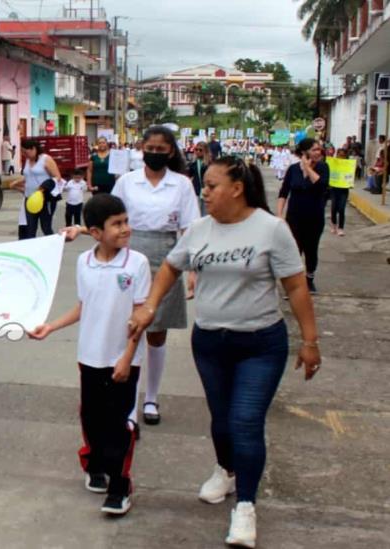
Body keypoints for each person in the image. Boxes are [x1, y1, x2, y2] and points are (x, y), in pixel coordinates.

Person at [128, 155, 321, 549]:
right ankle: (227, 469)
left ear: (237, 188)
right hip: (211, 342)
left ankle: (246, 507)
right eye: (205, 185)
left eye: (212, 186)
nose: (205, 192)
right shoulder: (200, 229)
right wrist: (150, 305)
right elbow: (170, 266)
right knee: (221, 419)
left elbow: (297, 287)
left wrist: (310, 340)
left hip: (260, 343)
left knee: (245, 420)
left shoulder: (272, 229)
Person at [63, 126, 200, 427]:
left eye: (161, 149)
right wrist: (83, 230)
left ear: (171, 152)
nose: (154, 153)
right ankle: (129, 405)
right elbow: (108, 218)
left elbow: (191, 229)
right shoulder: (127, 181)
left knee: (157, 331)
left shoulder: (181, 185)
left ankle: (151, 397)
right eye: (149, 147)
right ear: (141, 148)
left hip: (168, 257)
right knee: (129, 328)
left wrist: (192, 269)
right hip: (129, 255)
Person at [28, 193, 150, 517]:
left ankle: (120, 486)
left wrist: (127, 357)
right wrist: (51, 326)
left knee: (119, 422)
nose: (125, 229)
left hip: (123, 359)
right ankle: (95, 464)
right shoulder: (85, 262)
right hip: (90, 356)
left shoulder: (136, 263)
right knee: (92, 418)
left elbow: (140, 317)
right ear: (95, 232)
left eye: (126, 222)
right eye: (117, 224)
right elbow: (84, 307)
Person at [277, 138, 330, 295]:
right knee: (294, 250)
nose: (318, 152)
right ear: (304, 152)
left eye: (319, 149)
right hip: (294, 217)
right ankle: (293, 284)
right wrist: (279, 214)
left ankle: (309, 279)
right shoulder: (293, 169)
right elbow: (284, 192)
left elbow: (321, 185)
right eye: (314, 149)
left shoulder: (323, 167)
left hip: (314, 217)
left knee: (311, 250)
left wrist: (307, 168)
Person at [10, 139, 64, 239]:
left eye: (25, 152)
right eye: (22, 152)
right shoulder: (27, 160)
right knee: (30, 228)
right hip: (30, 199)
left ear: (33, 149)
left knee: (46, 227)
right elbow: (28, 177)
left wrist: (44, 187)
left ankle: (53, 246)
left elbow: (57, 177)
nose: (24, 154)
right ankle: (32, 251)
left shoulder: (46, 159)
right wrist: (16, 182)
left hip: (45, 199)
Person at [188, 141, 211, 215]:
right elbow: (190, 176)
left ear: (205, 151)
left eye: (200, 150)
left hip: (207, 190)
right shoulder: (193, 163)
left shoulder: (210, 163)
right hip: (196, 190)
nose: (198, 151)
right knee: (196, 212)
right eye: (196, 149)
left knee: (206, 213)